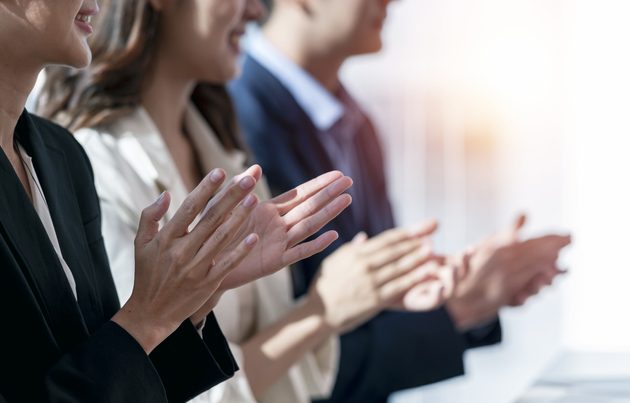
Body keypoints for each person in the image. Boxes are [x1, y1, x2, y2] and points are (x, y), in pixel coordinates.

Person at [39, 0, 463, 402]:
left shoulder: (225, 150)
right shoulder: (94, 162)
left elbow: (286, 364)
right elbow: (151, 384)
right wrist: (321, 311)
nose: (257, 9)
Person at [0, 0, 345, 400]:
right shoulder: (90, 152)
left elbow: (108, 375)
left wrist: (190, 296)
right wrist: (148, 317)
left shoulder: (63, 159)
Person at [229, 0, 573, 401]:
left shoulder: (357, 126)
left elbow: (371, 304)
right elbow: (291, 361)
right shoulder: (236, 126)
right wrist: (458, 309)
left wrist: (461, 285)